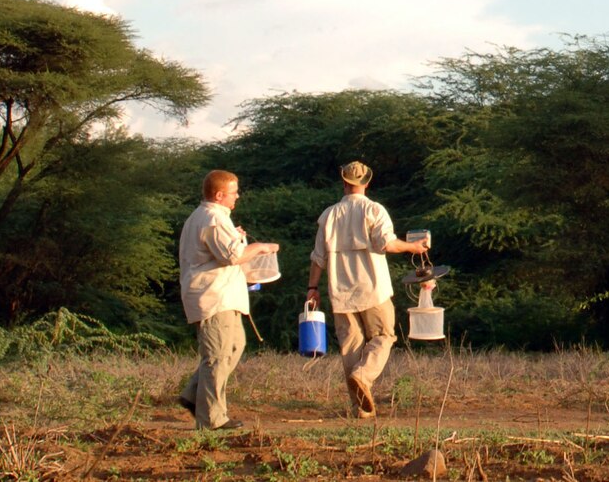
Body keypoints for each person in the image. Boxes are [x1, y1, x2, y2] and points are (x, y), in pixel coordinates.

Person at [306, 161, 430, 418]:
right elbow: (387, 244)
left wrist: (312, 287)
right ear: (367, 183)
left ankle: (359, 409)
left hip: (340, 289)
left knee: (351, 345)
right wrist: (413, 247)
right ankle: (363, 376)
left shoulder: (329, 215)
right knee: (384, 336)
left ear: (343, 182)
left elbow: (318, 257)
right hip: (373, 287)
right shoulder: (374, 210)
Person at [178, 170, 279, 430]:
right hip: (214, 296)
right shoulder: (212, 218)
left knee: (233, 346)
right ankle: (211, 418)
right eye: (234, 192)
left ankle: (193, 395)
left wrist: (234, 235)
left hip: (222, 295)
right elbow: (232, 256)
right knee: (217, 356)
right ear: (220, 195)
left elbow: (220, 248)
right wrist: (261, 247)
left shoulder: (209, 217)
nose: (237, 196)